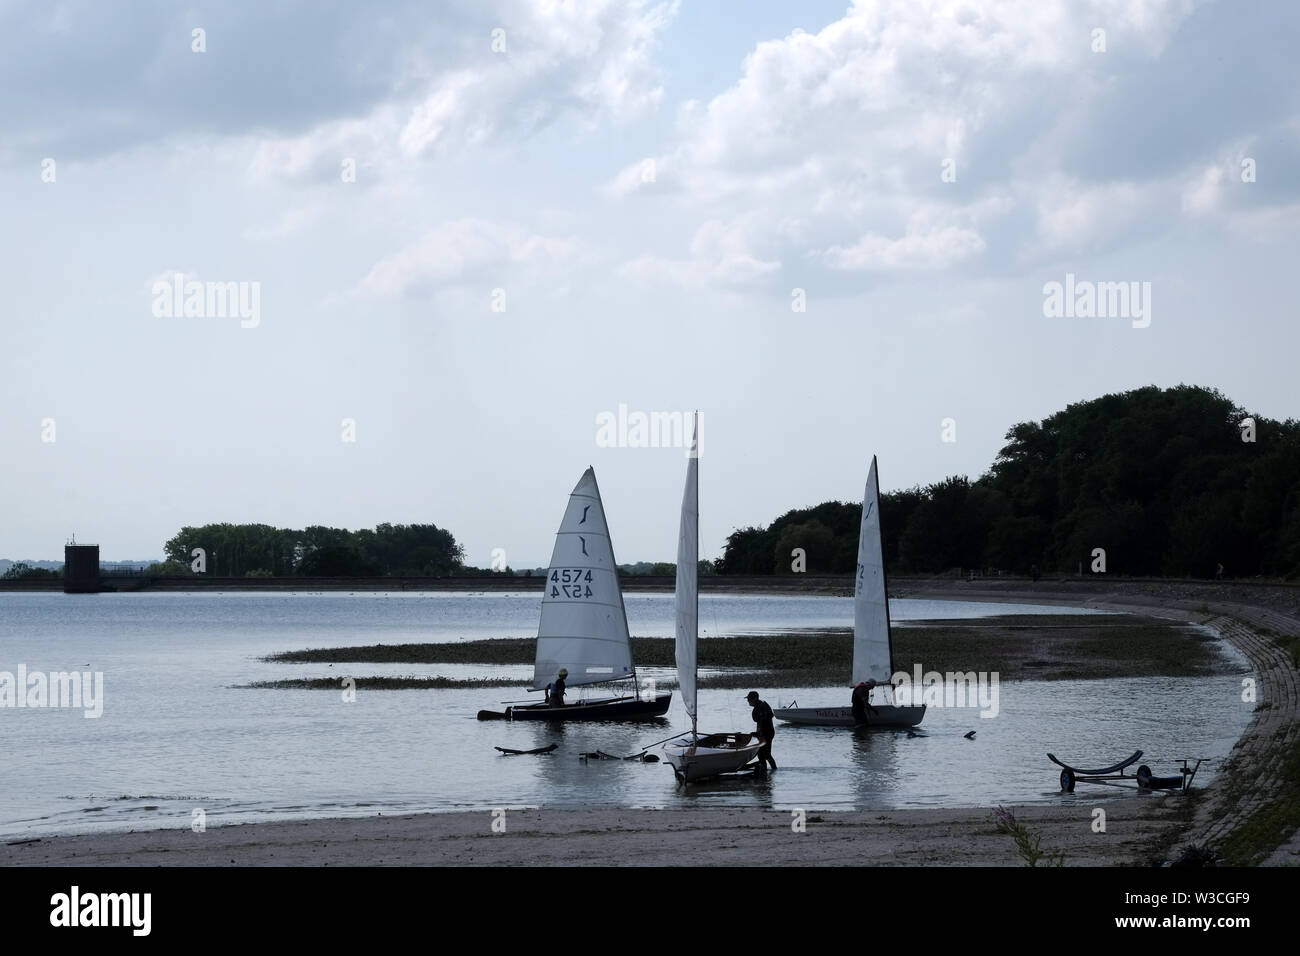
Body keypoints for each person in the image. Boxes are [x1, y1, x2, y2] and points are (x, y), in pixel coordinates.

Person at [745, 691, 776, 770]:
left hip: (767, 733)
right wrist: (758, 733)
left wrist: (758, 733)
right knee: (762, 754)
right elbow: (760, 722)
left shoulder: (762, 707)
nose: (748, 701)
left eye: (749, 699)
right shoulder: (760, 705)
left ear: (755, 698)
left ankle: (771, 770)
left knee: (766, 754)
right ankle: (766, 770)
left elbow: (763, 722)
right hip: (764, 732)